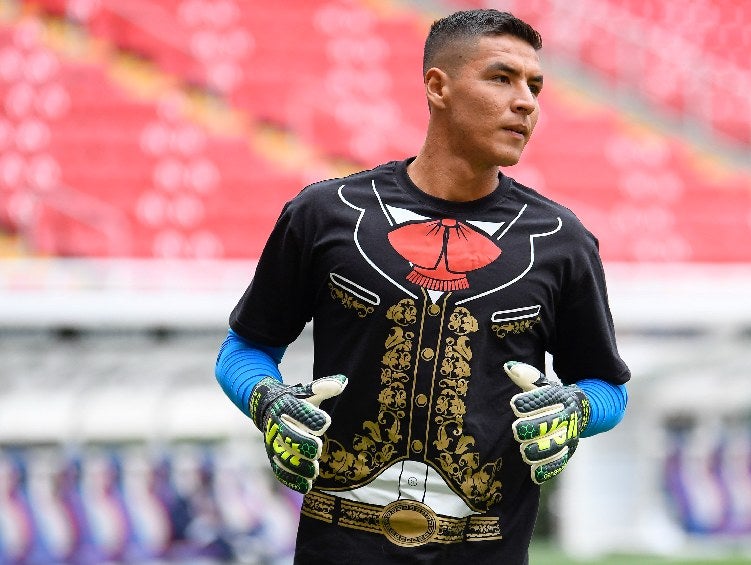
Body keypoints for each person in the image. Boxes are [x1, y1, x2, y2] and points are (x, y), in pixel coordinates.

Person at [214, 8, 630, 564]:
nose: (526, 101)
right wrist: (269, 404)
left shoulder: (562, 239)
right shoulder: (324, 212)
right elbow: (245, 349)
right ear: (438, 86)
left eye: (535, 86)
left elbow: (608, 386)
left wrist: (574, 408)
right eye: (501, 78)